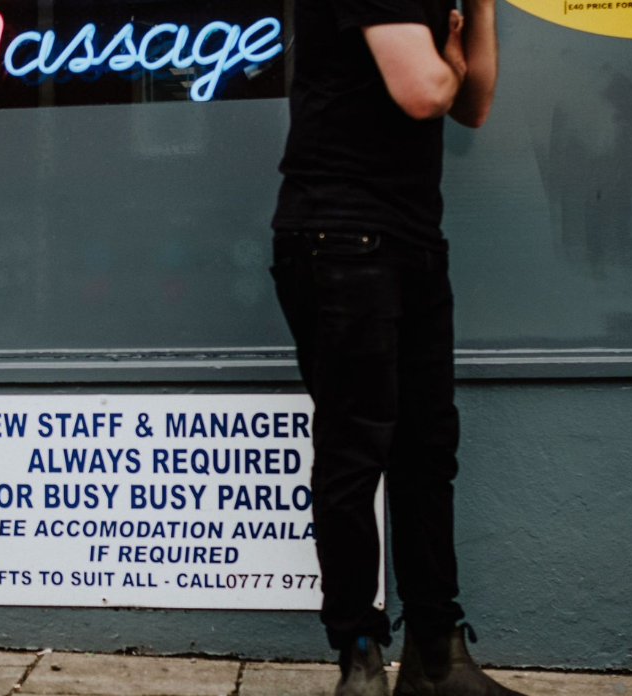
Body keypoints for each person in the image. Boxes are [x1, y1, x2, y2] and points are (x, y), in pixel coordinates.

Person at [270, 0, 526, 693]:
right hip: (340, 238)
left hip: (410, 239)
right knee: (357, 451)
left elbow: (470, 105)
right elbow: (426, 90)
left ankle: (436, 660)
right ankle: (358, 655)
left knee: (426, 450)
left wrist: (476, 11)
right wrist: (447, 57)